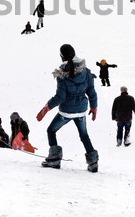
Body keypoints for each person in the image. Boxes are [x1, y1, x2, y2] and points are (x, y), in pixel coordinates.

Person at [36, 44, 99, 172]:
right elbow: (91, 92)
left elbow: (60, 97)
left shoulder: (62, 74)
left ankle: (54, 160)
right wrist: (94, 107)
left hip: (66, 112)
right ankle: (93, 163)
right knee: (84, 135)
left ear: (61, 57)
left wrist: (46, 108)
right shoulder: (86, 72)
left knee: (51, 131)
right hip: (81, 111)